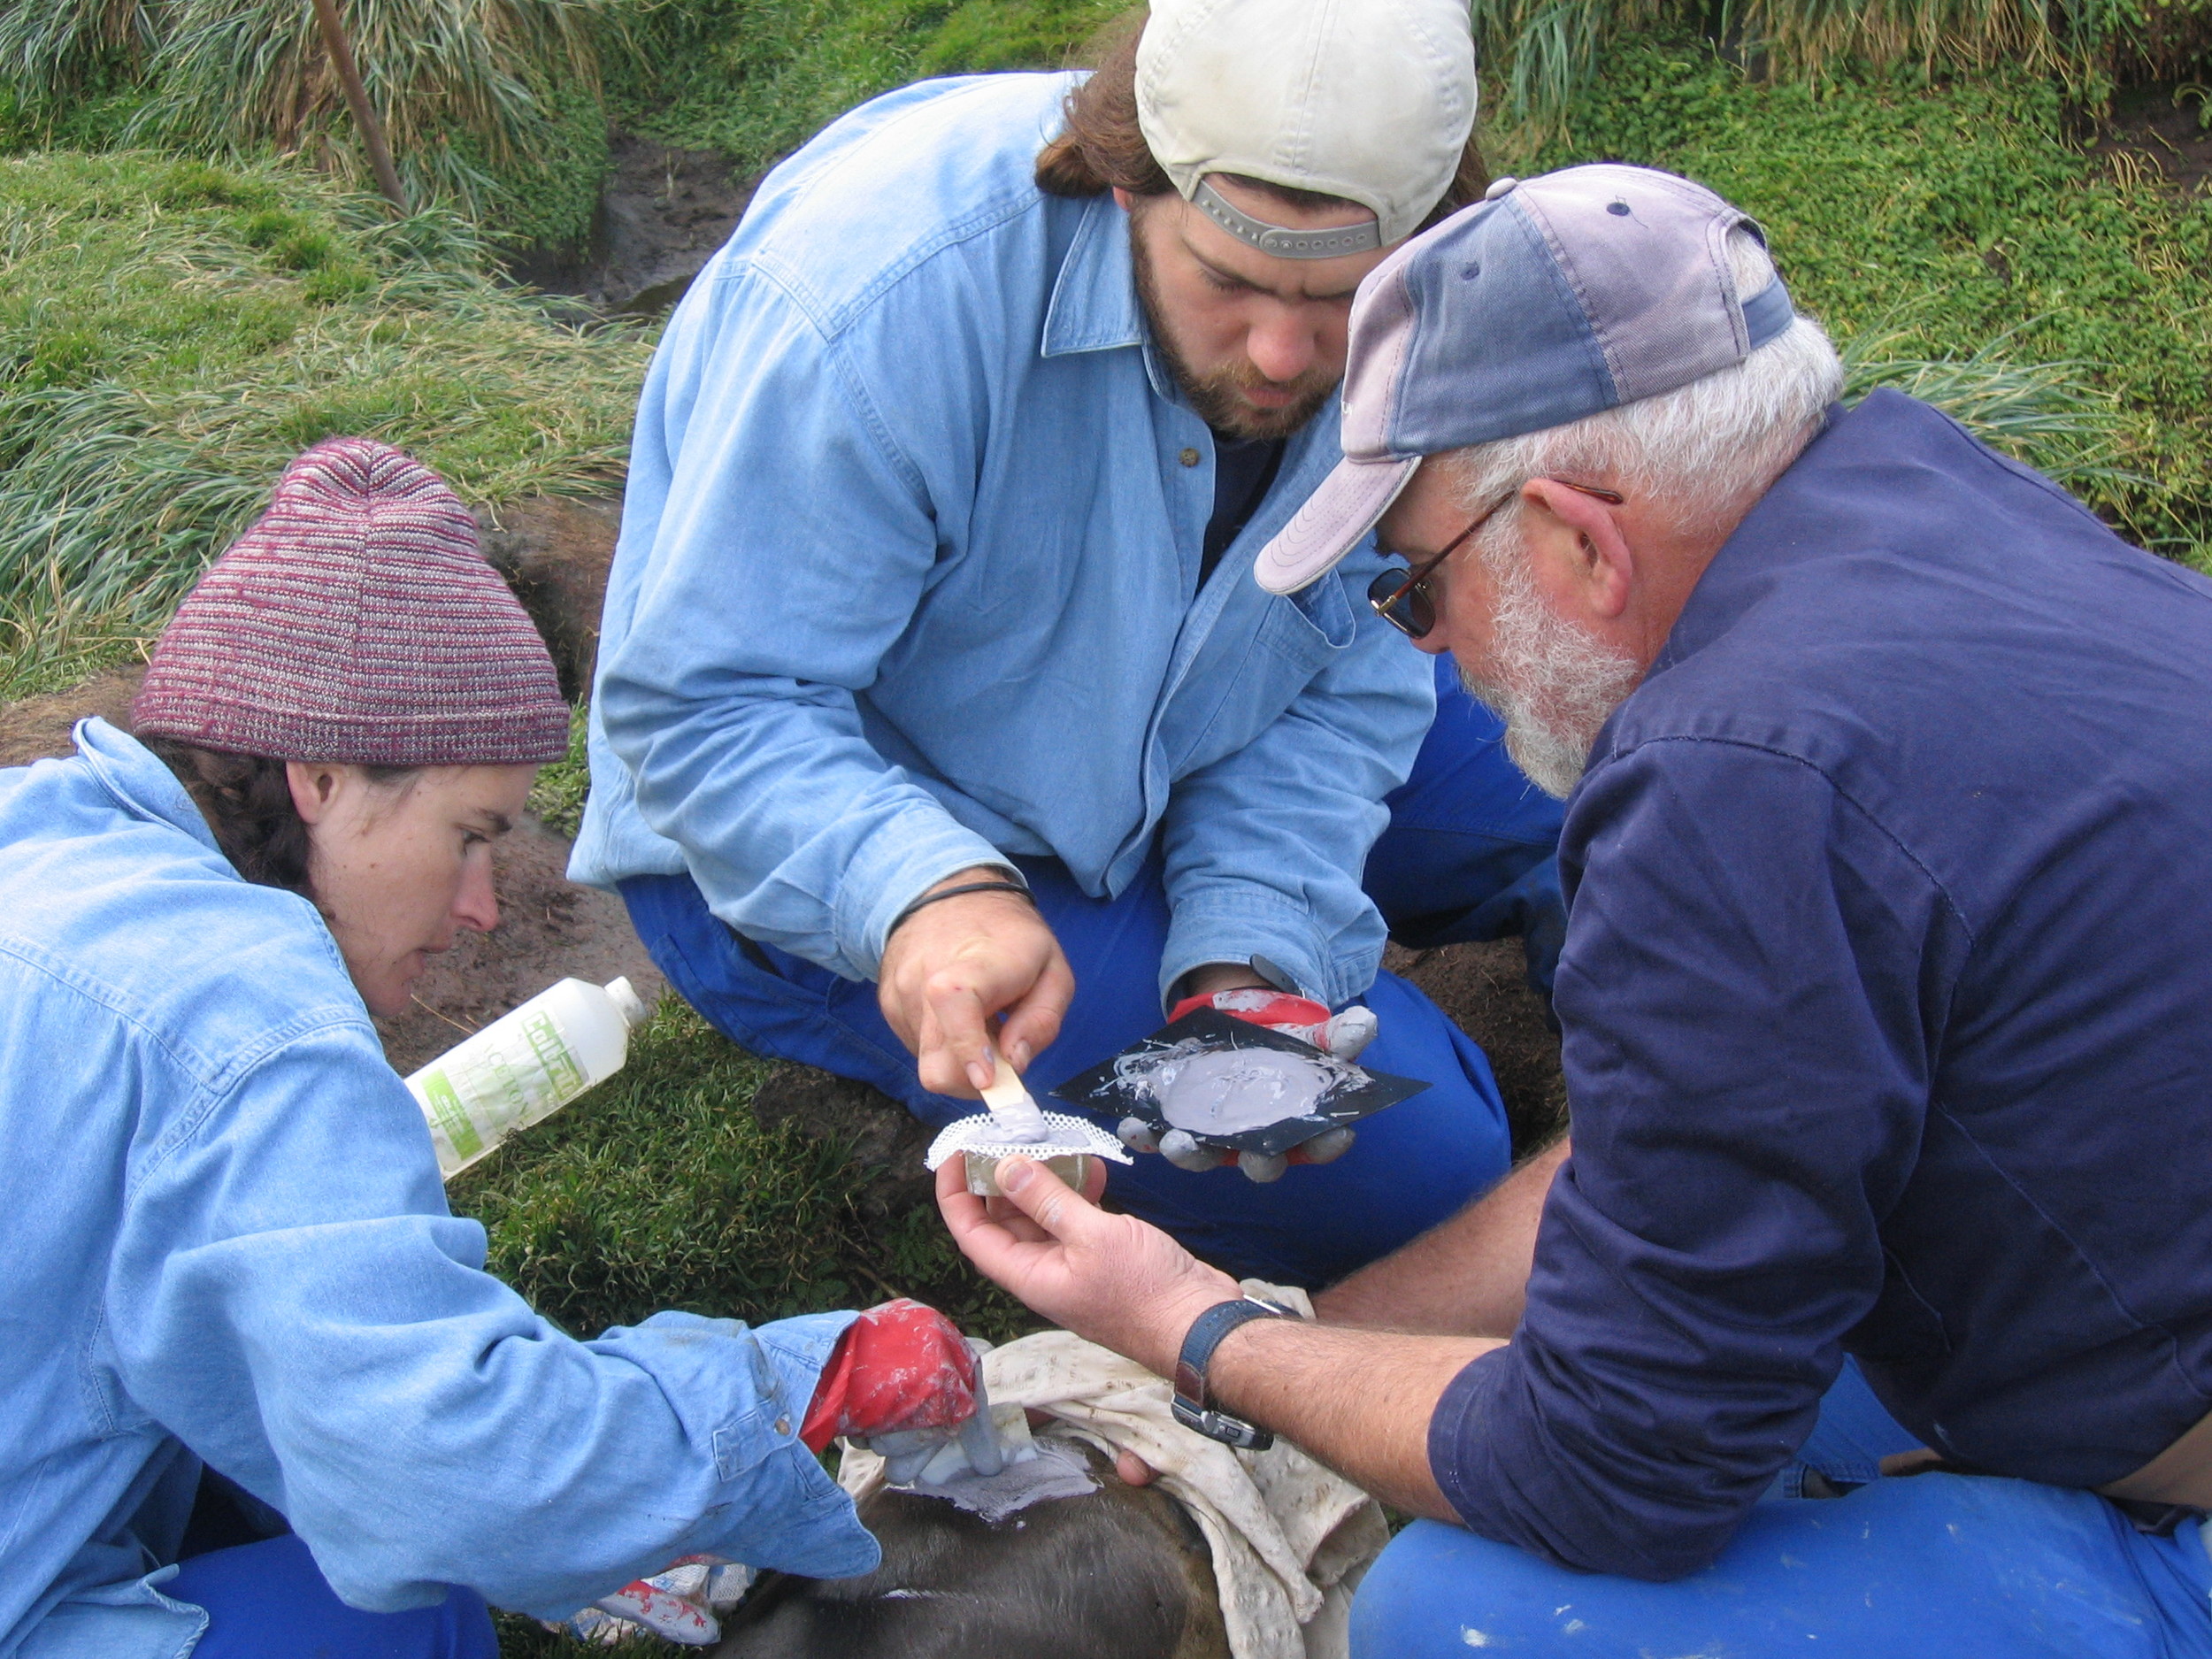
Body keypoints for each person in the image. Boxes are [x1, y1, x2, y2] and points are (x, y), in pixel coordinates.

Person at [937, 163, 2212, 1656]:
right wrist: (1315, 1328)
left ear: (1577, 538)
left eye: (1412, 591)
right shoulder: (1928, 490)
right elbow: (1676, 1163)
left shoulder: (1725, 788)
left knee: (1464, 1612)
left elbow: (1615, 1474)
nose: (1428, 646)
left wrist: (1192, 1330)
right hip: (2113, 1281)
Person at [569, 0, 1568, 1290]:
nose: (1280, 354)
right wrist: (924, 893)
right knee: (1431, 1165)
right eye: (1229, 282)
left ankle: (1716, 1143)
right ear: (1119, 183)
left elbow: (1344, 671)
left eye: (1337, 302)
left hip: (1211, 708)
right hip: (849, 831)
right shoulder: (877, 299)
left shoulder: (1432, 306)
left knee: (1593, 773)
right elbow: (709, 709)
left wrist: (1246, 955)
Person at [1, 440, 986, 1659]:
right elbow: (436, 1466)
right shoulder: (245, 1019)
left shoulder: (43, 836)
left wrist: (587, 1486)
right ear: (316, 775)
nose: (484, 906)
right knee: (406, 1623)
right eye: (471, 835)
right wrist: (788, 1392)